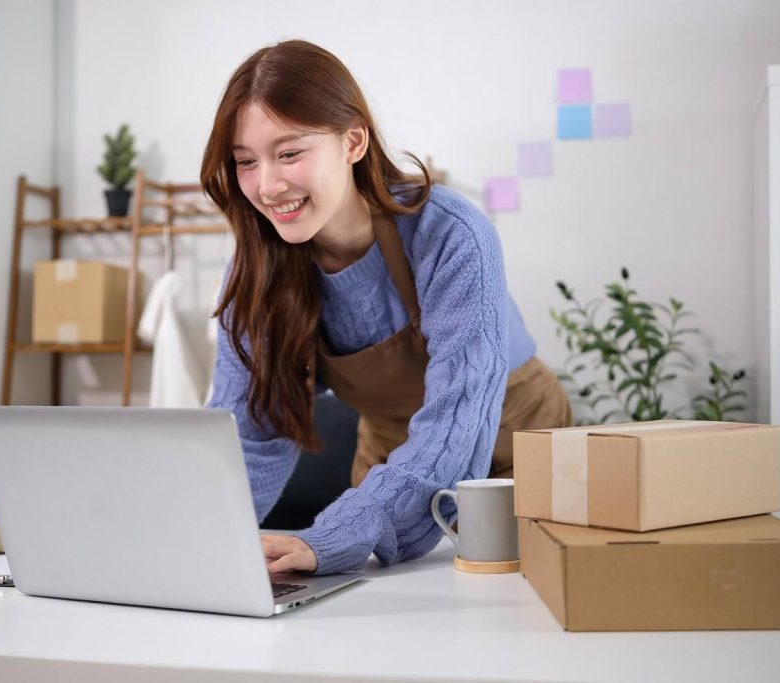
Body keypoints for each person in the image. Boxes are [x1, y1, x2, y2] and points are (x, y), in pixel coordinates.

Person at [200, 40, 572, 576]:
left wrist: (338, 534)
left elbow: (458, 420)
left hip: (518, 438)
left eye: (289, 153)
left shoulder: (449, 234)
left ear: (352, 142)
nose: (267, 184)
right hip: (391, 458)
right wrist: (202, 539)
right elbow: (251, 436)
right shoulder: (258, 270)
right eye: (245, 162)